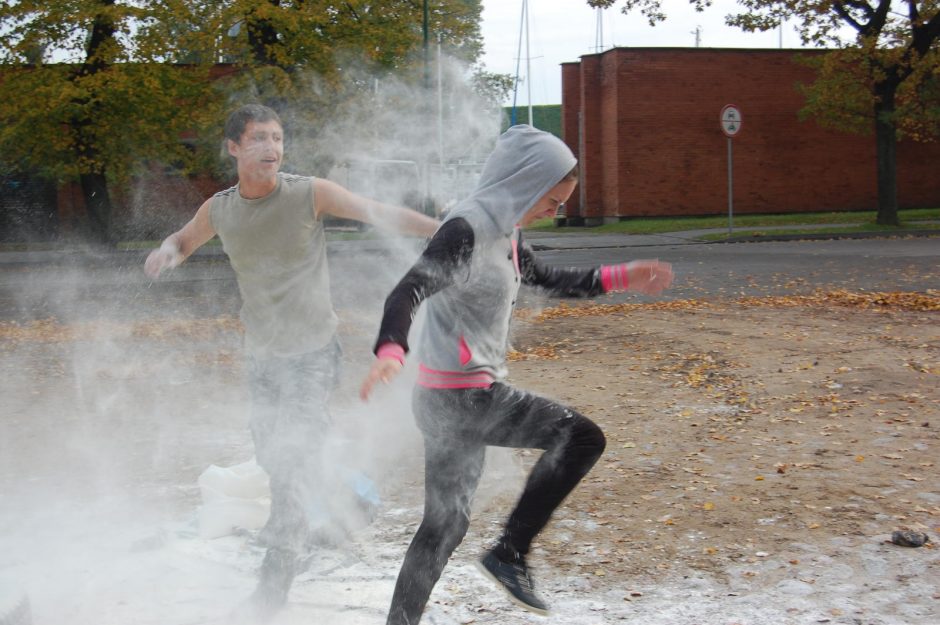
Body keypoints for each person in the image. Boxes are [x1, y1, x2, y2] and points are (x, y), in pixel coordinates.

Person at [360, 124, 674, 624]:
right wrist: (391, 349)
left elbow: (547, 278)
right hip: (464, 400)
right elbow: (407, 291)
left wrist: (622, 276)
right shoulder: (467, 228)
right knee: (582, 439)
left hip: (446, 401)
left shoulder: (505, 232)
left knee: (445, 525)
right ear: (521, 183)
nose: (555, 210)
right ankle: (509, 553)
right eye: (551, 200)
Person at [144, 103, 439, 619]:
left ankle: (274, 580)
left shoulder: (309, 193)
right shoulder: (221, 209)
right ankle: (353, 497)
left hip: (312, 354)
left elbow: (377, 212)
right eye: (259, 138)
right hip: (262, 356)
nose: (272, 148)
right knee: (272, 456)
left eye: (278, 138)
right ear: (233, 147)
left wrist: (443, 229)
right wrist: (167, 252)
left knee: (292, 462)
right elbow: (185, 240)